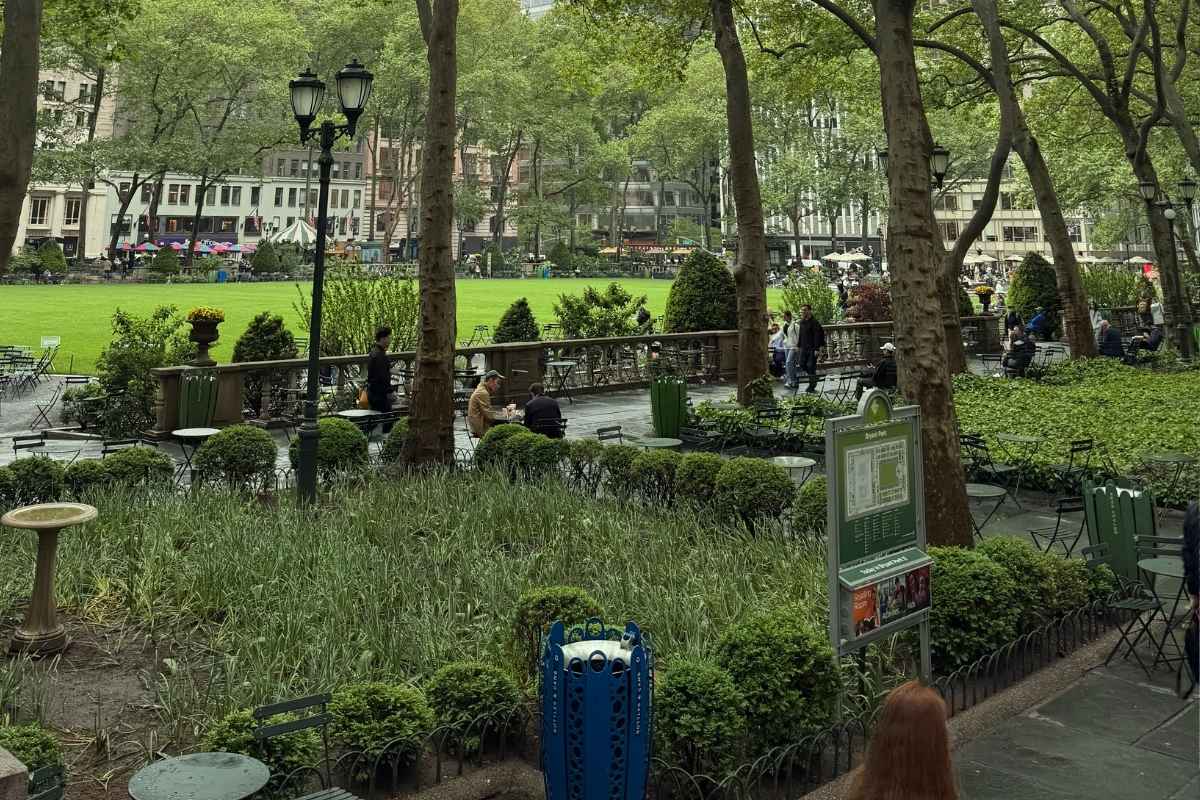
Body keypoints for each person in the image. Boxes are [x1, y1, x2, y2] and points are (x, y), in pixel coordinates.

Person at [847, 681, 958, 800]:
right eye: (942, 730)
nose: (950, 736)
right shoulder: (940, 789)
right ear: (932, 749)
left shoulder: (864, 788)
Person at [468, 369, 511, 438]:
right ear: (491, 380)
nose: (498, 386)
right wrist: (505, 416)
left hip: (479, 424)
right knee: (508, 426)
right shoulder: (483, 393)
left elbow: (488, 412)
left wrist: (503, 414)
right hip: (480, 427)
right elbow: (489, 416)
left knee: (506, 422)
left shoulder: (482, 389)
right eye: (498, 382)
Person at [365, 326, 394, 425]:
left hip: (373, 392)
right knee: (387, 422)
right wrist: (390, 392)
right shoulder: (380, 356)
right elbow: (383, 377)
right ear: (383, 338)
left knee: (376, 422)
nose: (390, 340)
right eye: (389, 338)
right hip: (379, 395)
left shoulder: (374, 352)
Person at [795, 304, 826, 393]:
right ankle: (814, 378)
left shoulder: (815, 322)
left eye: (804, 310)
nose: (802, 312)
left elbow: (818, 336)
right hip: (804, 348)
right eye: (802, 310)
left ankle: (812, 386)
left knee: (810, 366)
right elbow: (800, 335)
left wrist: (817, 349)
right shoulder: (801, 322)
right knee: (801, 364)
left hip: (813, 349)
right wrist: (798, 345)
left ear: (809, 311)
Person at [782, 310, 800, 388]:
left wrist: (798, 346)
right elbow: (784, 336)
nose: (783, 317)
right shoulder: (784, 325)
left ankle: (793, 381)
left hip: (793, 346)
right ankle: (791, 381)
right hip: (786, 346)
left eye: (784, 316)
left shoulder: (795, 325)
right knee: (789, 364)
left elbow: (799, 336)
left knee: (789, 362)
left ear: (788, 316)